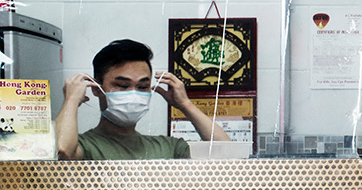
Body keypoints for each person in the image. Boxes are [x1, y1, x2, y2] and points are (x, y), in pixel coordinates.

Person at [55, 38, 230, 160]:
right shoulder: (86, 146)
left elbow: (228, 153)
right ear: (97, 88)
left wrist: (185, 105)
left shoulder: (168, 147)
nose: (133, 94)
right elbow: (63, 151)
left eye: (142, 87)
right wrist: (71, 101)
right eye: (122, 86)